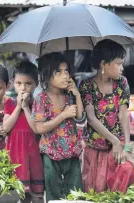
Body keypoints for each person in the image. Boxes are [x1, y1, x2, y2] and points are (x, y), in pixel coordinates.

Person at [79, 39, 134, 194]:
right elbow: (91, 118)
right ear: (104, 64)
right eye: (118, 64)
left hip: (117, 151)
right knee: (98, 194)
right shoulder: (86, 85)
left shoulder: (122, 83)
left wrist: (127, 146)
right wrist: (115, 141)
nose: (122, 68)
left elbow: (123, 114)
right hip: (95, 150)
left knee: (123, 183)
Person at [32, 53, 86, 202]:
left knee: (77, 195)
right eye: (59, 72)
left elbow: (80, 119)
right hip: (50, 155)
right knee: (54, 195)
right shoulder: (41, 99)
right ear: (46, 75)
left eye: (66, 71)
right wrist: (63, 115)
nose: (65, 76)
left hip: (72, 154)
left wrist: (77, 95)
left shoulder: (69, 95)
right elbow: (39, 128)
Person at [3, 61, 44, 203]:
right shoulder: (9, 103)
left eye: (28, 83)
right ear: (13, 83)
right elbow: (6, 127)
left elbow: (36, 128)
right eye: (19, 83)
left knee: (37, 195)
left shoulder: (39, 103)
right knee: (22, 195)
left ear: (36, 83)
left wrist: (26, 107)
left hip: (33, 154)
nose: (23, 88)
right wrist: (18, 107)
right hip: (16, 154)